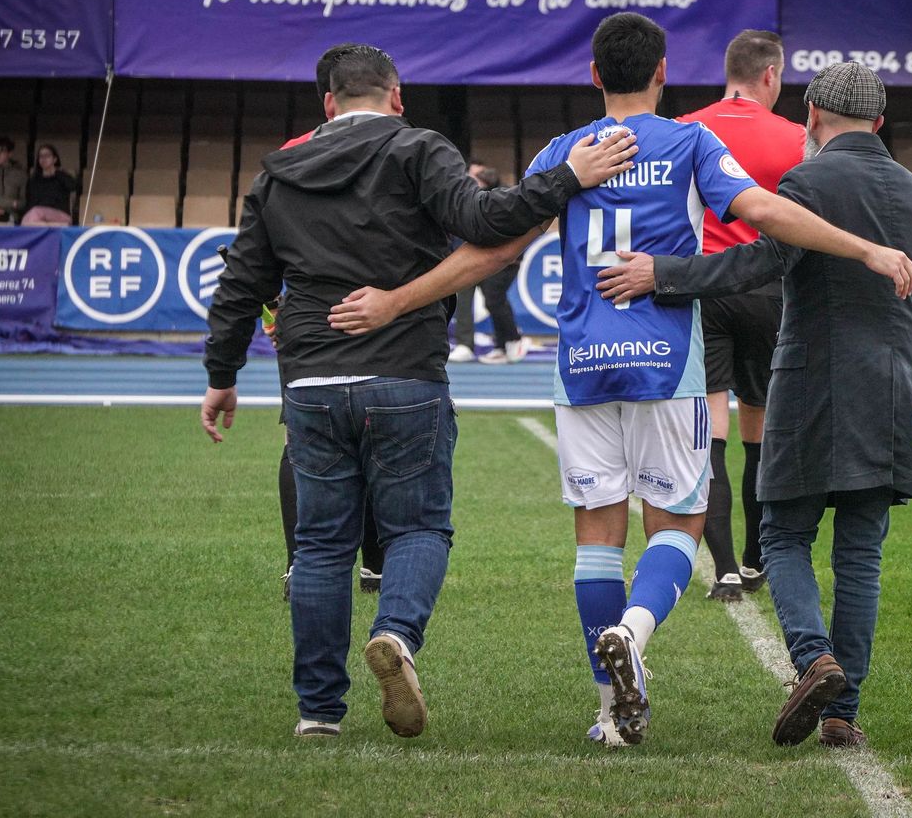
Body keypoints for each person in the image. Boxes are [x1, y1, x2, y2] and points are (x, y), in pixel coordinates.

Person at [199, 43, 638, 739]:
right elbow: (490, 220)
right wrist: (567, 176)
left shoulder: (277, 174)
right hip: (403, 372)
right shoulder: (418, 149)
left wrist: (221, 375)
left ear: (327, 104)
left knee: (319, 547)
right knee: (420, 528)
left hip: (311, 377)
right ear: (396, 96)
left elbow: (241, 284)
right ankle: (396, 634)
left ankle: (318, 711)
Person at [597, 60, 912, 748]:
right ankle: (841, 712)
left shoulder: (807, 181)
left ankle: (811, 657)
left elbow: (757, 264)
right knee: (861, 555)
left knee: (787, 535)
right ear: (880, 123)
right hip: (890, 390)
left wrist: (663, 275)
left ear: (813, 117)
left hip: (810, 381)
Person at [675, 29, 806, 602]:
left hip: (704, 288)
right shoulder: (799, 138)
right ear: (771, 75)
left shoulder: (685, 130)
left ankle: (724, 568)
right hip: (770, 289)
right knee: (761, 429)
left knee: (711, 431)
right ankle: (757, 558)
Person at [274, 44, 384, 602]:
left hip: (310, 328)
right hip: (386, 322)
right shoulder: (403, 149)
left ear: (327, 100)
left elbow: (259, 251)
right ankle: (379, 564)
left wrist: (275, 313)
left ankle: (303, 564)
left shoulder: (289, 156)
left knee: (303, 442)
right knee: (382, 440)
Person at [449, 160, 533, 364]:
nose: (473, 179)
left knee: (494, 299)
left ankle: (511, 340)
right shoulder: (464, 199)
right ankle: (481, 344)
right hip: (471, 256)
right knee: (468, 300)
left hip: (502, 259)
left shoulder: (503, 195)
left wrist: (514, 255)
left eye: (479, 175)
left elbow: (519, 225)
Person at [22, 143, 78, 226]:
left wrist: (57, 172)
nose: (43, 159)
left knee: (35, 213)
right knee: (32, 215)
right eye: (41, 156)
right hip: (38, 217)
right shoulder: (34, 180)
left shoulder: (62, 176)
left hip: (60, 215)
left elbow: (74, 186)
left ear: (55, 159)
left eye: (47, 156)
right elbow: (30, 202)